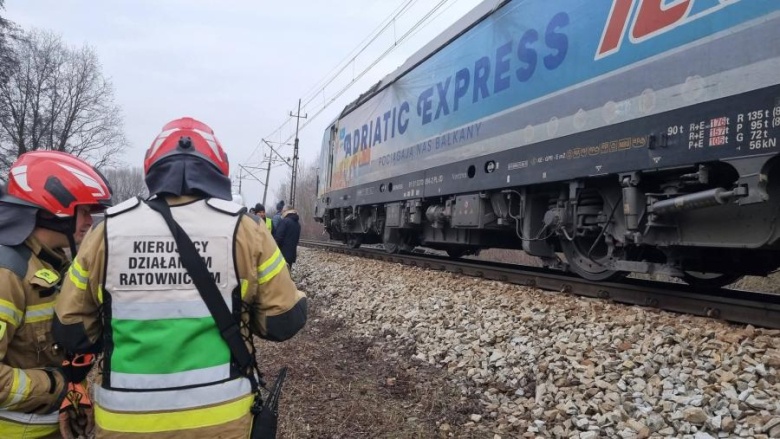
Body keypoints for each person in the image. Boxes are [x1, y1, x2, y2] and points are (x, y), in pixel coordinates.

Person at [53, 117, 307, 438]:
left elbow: (71, 331)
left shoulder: (106, 231)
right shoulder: (245, 230)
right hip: (221, 421)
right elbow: (282, 322)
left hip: (125, 423)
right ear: (217, 168)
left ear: (153, 167)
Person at [0, 151, 112, 439]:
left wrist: (75, 395)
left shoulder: (52, 265)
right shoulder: (7, 274)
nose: (90, 222)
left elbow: (52, 354)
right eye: (84, 211)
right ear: (54, 210)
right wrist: (57, 386)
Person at [272, 206, 301, 271]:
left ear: (286, 211)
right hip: (291, 255)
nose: (281, 213)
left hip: (282, 255)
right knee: (287, 273)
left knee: (281, 275)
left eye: (283, 211)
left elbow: (278, 238)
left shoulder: (285, 222)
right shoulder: (297, 224)